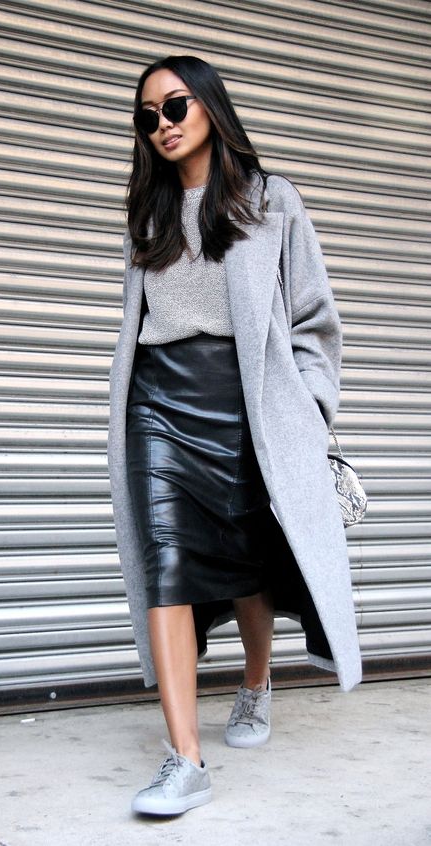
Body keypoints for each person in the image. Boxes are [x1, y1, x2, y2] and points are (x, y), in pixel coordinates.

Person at [107, 55, 362, 817]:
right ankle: (184, 760)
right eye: (148, 115)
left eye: (176, 105)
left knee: (247, 557)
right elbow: (139, 322)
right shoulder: (148, 212)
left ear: (210, 105)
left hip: (244, 401)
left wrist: (309, 410)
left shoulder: (269, 199)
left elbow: (314, 317)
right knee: (168, 564)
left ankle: (256, 684)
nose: (164, 124)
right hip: (157, 400)